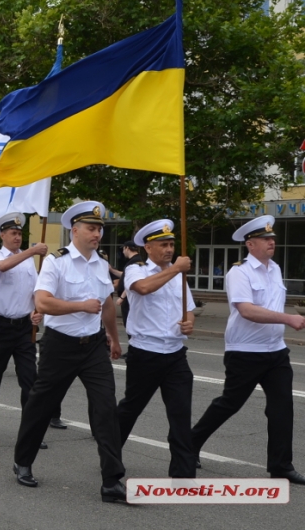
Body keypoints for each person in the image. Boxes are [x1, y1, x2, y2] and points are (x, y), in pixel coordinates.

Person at [12, 201, 125, 503]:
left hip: (93, 347)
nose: (97, 233)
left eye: (100, 229)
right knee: (40, 406)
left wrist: (113, 339)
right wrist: (79, 305)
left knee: (105, 410)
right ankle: (23, 461)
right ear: (74, 230)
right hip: (59, 346)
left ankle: (112, 481)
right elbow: (43, 303)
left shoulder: (101, 264)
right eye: (91, 228)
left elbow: (108, 306)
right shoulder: (56, 262)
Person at [191, 215, 305, 485]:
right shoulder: (239, 272)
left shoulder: (275, 269)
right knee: (230, 403)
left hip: (275, 351)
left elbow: (272, 304)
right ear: (250, 244)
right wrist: (289, 319)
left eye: (273, 239)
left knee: (282, 408)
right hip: (245, 351)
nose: (272, 242)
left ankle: (281, 465)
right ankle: (190, 443)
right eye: (266, 239)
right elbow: (247, 310)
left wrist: (284, 321)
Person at [116, 219, 196, 478]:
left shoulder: (176, 272)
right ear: (148, 248)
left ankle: (183, 473)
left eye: (172, 244)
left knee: (180, 413)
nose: (169, 249)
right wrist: (176, 270)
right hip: (146, 353)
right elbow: (143, 288)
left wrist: (188, 324)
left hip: (175, 354)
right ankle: (110, 451)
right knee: (131, 408)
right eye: (164, 244)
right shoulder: (136, 270)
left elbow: (189, 307)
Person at [0, 214, 50, 444]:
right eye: (13, 233)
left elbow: (34, 289)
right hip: (1, 325)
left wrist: (36, 310)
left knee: (30, 379)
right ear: (2, 235)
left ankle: (32, 429)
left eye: (19, 233)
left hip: (24, 327)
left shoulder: (27, 261)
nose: (17, 237)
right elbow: (3, 267)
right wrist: (32, 251)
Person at [114, 240, 143, 332]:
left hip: (129, 300)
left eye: (123, 249)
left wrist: (122, 297)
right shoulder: (133, 261)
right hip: (128, 300)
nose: (123, 252)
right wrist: (111, 270)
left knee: (131, 327)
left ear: (127, 248)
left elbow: (133, 282)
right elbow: (125, 275)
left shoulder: (135, 262)